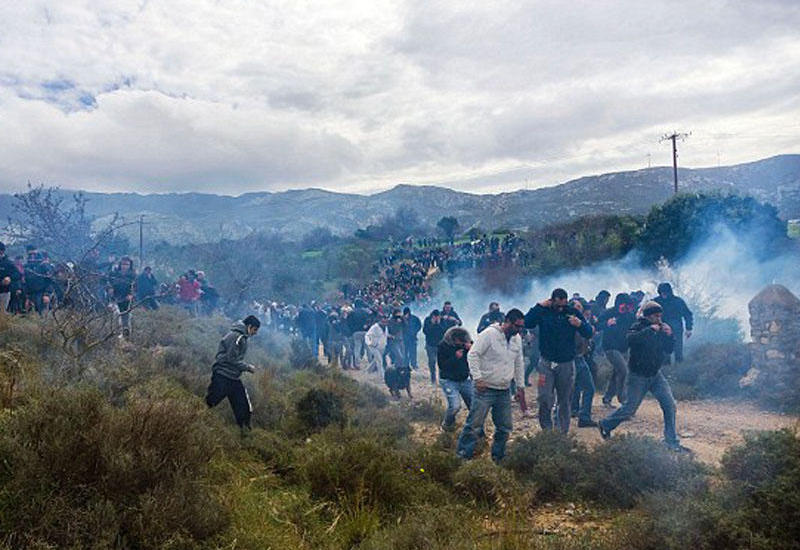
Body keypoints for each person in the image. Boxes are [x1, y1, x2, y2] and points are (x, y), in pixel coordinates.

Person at [598, 302, 688, 452]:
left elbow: (669, 349)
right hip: (638, 376)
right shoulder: (638, 326)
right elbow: (630, 339)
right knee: (630, 409)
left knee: (670, 405)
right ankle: (605, 424)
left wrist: (669, 335)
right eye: (655, 316)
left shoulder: (661, 328)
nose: (659, 319)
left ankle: (671, 441)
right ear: (648, 316)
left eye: (660, 315)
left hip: (655, 375)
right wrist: (649, 330)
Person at [456, 309, 526, 462]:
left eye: (521, 327)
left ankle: (498, 457)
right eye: (516, 326)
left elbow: (519, 362)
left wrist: (520, 387)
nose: (519, 330)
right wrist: (478, 378)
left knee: (505, 426)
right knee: (474, 424)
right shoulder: (489, 334)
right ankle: (462, 456)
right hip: (485, 389)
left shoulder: (517, 339)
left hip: (504, 389)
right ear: (507, 321)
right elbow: (473, 354)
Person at [525, 288, 592, 434]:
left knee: (565, 400)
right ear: (553, 300)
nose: (561, 307)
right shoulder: (544, 311)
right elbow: (527, 322)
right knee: (544, 398)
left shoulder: (572, 312)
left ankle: (562, 434)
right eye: (558, 304)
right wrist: (539, 306)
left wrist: (579, 324)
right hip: (546, 362)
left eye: (564, 303)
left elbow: (588, 332)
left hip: (566, 363)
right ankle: (547, 432)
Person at [205, 315, 260, 432]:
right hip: (223, 376)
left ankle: (245, 431)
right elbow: (231, 359)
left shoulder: (241, 337)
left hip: (233, 377)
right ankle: (193, 419)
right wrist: (247, 367)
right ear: (249, 326)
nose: (255, 333)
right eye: (255, 330)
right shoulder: (237, 337)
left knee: (243, 405)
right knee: (210, 402)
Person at [597, 293, 636, 408]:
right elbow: (596, 325)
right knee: (623, 370)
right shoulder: (609, 313)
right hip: (610, 347)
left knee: (617, 373)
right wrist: (607, 324)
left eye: (628, 306)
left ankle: (607, 398)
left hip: (624, 348)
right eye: (624, 306)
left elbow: (636, 326)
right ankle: (623, 398)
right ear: (618, 304)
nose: (626, 309)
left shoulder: (630, 315)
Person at [437, 326, 475, 431]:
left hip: (464, 379)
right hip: (449, 380)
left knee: (474, 406)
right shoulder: (443, 346)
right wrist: (455, 358)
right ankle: (447, 424)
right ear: (453, 338)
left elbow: (476, 358)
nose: (460, 343)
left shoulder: (467, 345)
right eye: (458, 340)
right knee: (455, 406)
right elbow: (442, 366)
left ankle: (475, 430)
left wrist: (471, 349)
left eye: (462, 340)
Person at [569, 300, 597, 427]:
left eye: (581, 307)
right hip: (570, 359)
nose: (580, 309)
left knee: (589, 388)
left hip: (580, 358)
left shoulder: (582, 322)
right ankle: (559, 422)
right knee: (567, 390)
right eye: (578, 307)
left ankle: (584, 417)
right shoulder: (568, 322)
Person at [654, 282, 694, 363]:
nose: (664, 294)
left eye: (665, 292)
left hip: (676, 328)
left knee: (678, 348)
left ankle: (679, 366)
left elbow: (687, 314)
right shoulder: (656, 302)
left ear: (669, 292)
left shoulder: (678, 301)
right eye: (662, 292)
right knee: (663, 349)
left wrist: (689, 328)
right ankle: (666, 366)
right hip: (662, 327)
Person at [108, 256, 136, 339]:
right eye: (123, 264)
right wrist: (110, 289)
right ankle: (115, 333)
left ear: (130, 265)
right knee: (115, 315)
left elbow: (135, 287)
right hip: (115, 297)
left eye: (127, 264)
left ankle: (125, 332)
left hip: (127, 297)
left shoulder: (132, 275)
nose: (124, 266)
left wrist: (131, 294)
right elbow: (109, 282)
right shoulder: (114, 273)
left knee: (126, 316)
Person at [423, 309, 446, 384]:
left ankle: (441, 379)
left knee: (441, 363)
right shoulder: (427, 320)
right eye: (435, 317)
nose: (436, 318)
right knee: (432, 362)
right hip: (430, 345)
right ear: (432, 316)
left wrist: (439, 324)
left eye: (438, 316)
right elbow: (425, 331)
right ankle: (433, 379)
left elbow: (445, 331)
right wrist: (432, 324)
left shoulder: (442, 320)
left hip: (440, 345)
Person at [0, 242, 22, 315]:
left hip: (4, 292)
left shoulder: (8, 263)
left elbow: (18, 274)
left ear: (2, 251)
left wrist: (9, 278)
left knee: (2, 313)